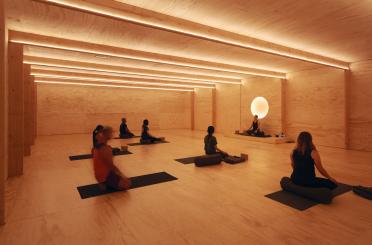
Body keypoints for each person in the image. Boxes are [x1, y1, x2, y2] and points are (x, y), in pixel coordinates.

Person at [92, 126, 131, 190]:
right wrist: (123, 176)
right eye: (111, 133)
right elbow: (112, 166)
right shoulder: (105, 149)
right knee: (127, 184)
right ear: (107, 134)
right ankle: (105, 184)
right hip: (104, 176)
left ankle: (106, 183)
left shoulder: (98, 143)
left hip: (98, 175)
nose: (112, 134)